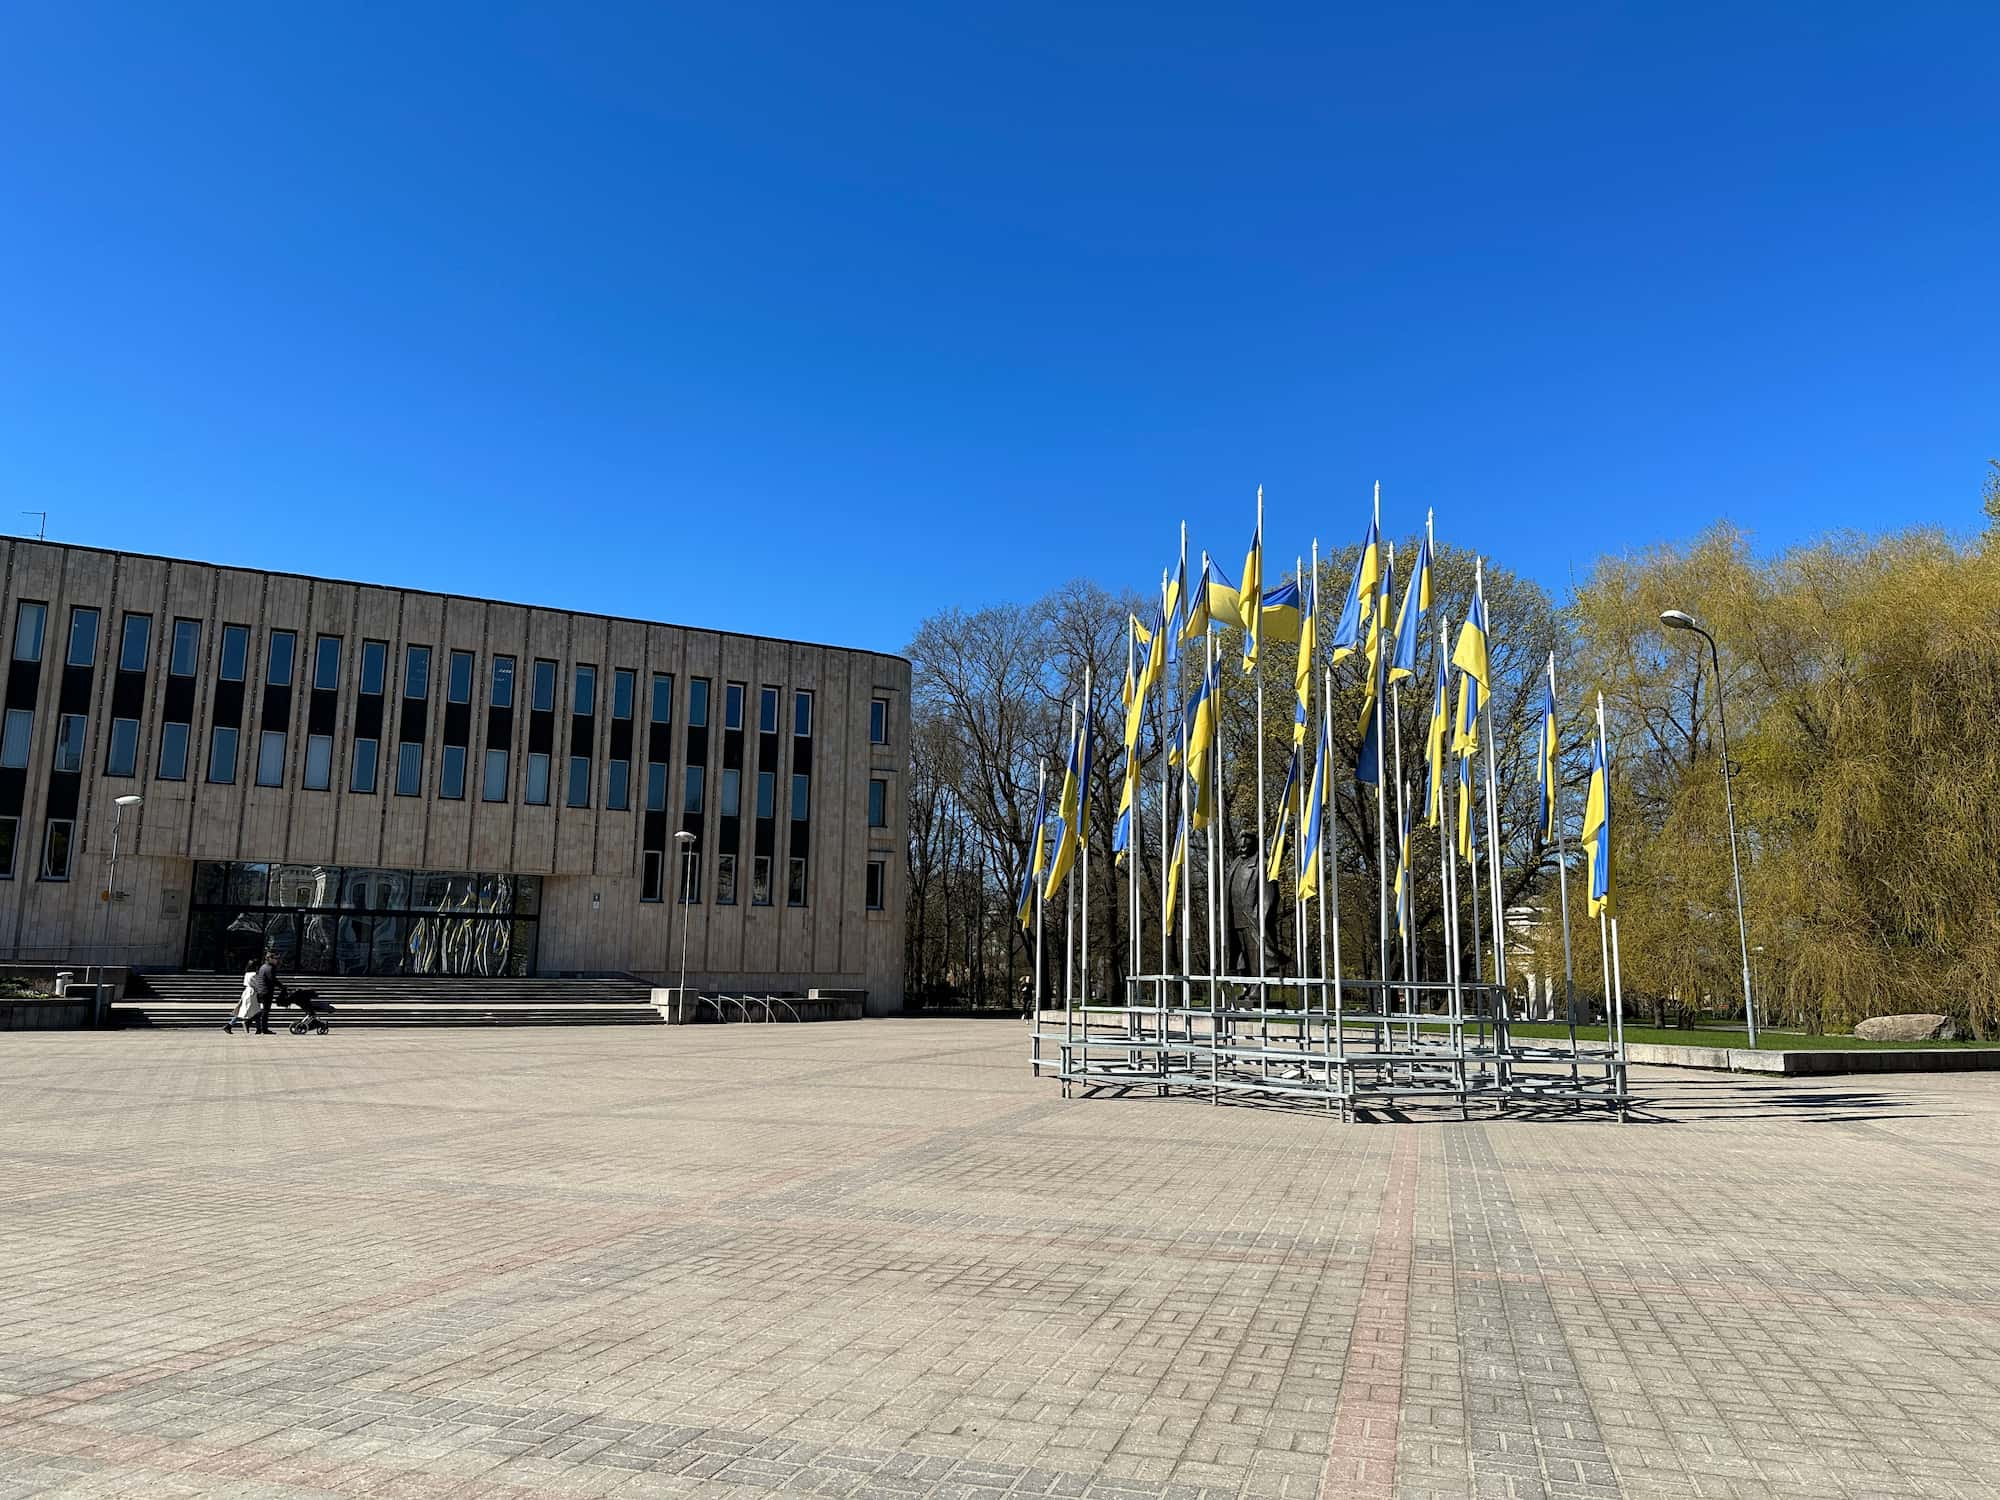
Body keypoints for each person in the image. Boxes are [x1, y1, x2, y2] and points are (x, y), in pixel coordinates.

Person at [250, 953, 281, 1034]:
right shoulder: (270, 968)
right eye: (275, 958)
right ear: (270, 959)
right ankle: (263, 1028)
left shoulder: (263, 966)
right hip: (266, 992)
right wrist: (282, 987)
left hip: (261, 991)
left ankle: (257, 1026)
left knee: (263, 1011)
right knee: (265, 1011)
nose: (276, 960)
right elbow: (272, 979)